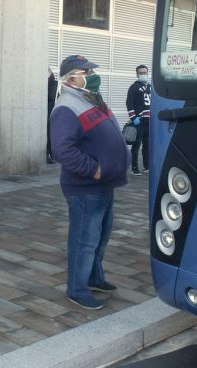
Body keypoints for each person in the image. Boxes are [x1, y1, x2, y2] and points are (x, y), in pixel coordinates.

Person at [50, 55, 130, 310]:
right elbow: (62, 150)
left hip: (105, 183)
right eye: (86, 71)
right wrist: (94, 170)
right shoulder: (66, 107)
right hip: (87, 187)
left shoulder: (92, 100)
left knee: (101, 236)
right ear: (71, 77)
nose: (92, 74)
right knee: (84, 239)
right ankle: (77, 288)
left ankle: (94, 278)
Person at [126, 64, 151, 176]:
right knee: (136, 145)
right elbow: (129, 103)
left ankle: (147, 166)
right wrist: (134, 117)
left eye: (145, 72)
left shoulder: (151, 87)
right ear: (137, 74)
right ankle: (134, 168)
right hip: (139, 121)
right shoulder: (134, 87)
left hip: (149, 121)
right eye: (141, 73)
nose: (143, 75)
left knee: (147, 144)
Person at [46, 68, 58, 164]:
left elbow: (51, 96)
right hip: (44, 112)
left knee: (49, 134)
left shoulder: (54, 84)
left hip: (51, 112)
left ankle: (50, 154)